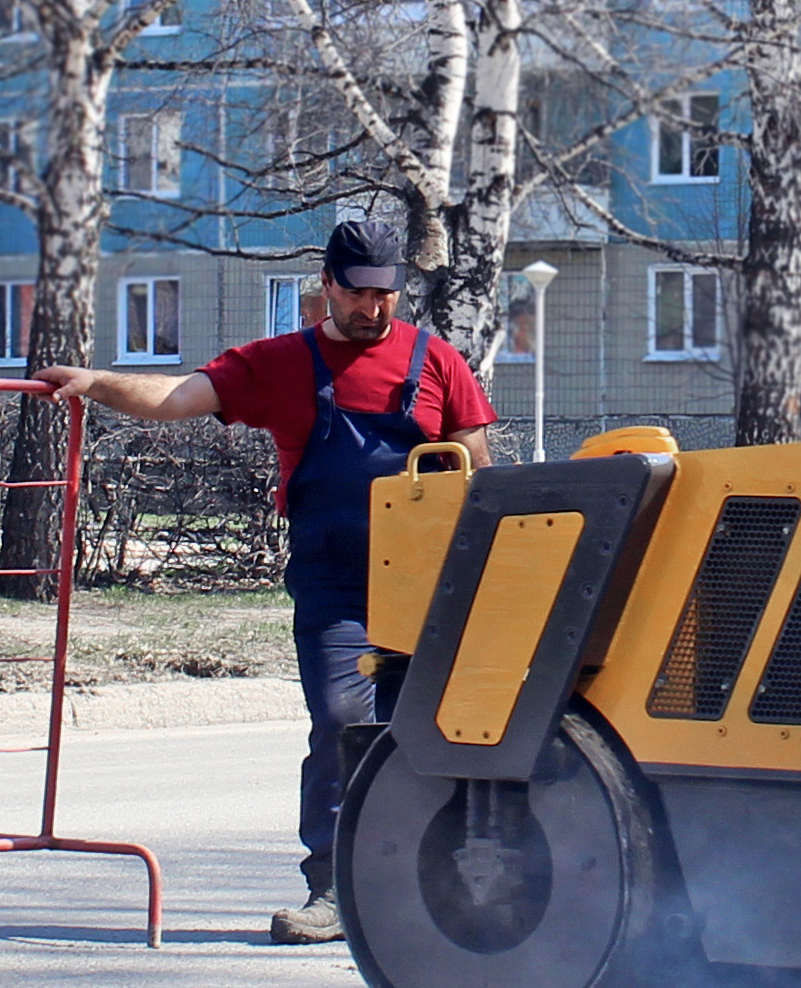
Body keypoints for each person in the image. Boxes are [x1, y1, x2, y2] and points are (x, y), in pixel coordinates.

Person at [43, 215, 495, 944]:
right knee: (342, 723)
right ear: (326, 285)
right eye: (358, 293)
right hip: (334, 583)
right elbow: (175, 397)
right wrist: (93, 381)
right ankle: (332, 890)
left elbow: (476, 470)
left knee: (428, 732)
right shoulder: (280, 361)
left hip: (432, 585)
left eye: (386, 294)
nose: (373, 308)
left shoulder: (438, 362)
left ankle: (430, 888)